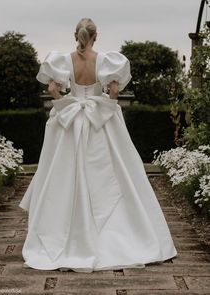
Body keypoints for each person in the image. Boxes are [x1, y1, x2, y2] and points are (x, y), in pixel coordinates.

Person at [19, 18, 177, 273]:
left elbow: (52, 89)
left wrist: (64, 102)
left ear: (76, 35)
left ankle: (63, 233)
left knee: (61, 174)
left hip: (69, 121)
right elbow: (113, 94)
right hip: (99, 121)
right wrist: (103, 102)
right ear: (96, 36)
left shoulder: (63, 60)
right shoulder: (106, 60)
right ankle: (116, 232)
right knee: (117, 172)